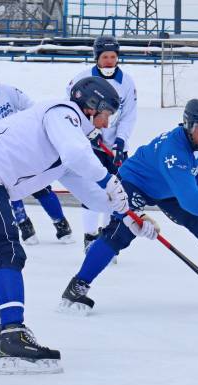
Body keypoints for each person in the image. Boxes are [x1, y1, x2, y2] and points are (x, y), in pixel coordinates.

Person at [0, 77, 145, 374]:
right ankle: (13, 334)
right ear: (91, 106)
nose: (106, 124)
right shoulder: (61, 112)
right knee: (6, 251)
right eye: (107, 114)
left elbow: (93, 196)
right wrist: (109, 179)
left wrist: (128, 214)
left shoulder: (70, 141)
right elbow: (79, 156)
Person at [60, 99, 198, 313]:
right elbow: (187, 192)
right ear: (188, 125)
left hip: (169, 188)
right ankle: (78, 284)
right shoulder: (174, 149)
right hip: (136, 182)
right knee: (120, 232)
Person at [0, 57, 74, 245]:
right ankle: (24, 224)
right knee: (10, 191)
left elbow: (33, 110)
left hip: (26, 147)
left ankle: (61, 223)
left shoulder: (7, 91)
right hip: (1, 158)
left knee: (41, 186)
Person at [67, 36, 138, 251]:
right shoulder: (83, 79)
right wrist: (90, 131)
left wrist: (120, 141)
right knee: (91, 189)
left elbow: (128, 115)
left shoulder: (126, 82)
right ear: (97, 57)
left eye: (113, 57)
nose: (109, 61)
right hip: (89, 145)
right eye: (105, 57)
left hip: (114, 147)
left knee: (114, 190)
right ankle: (90, 236)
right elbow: (71, 109)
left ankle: (107, 237)